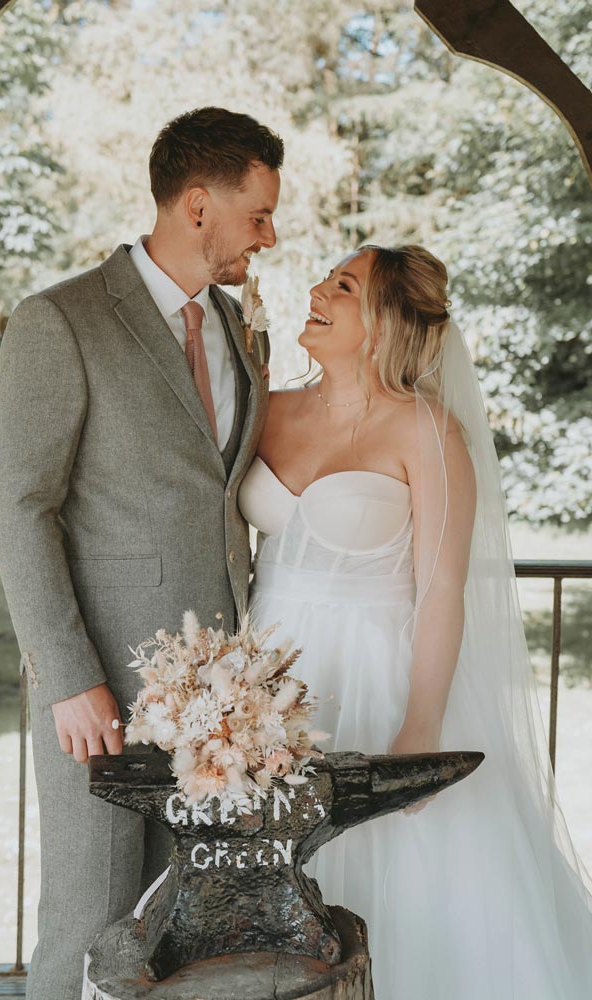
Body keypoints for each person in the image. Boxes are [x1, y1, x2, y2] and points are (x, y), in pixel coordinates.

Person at [239, 244, 592, 999]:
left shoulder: (427, 430)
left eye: (342, 284)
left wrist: (420, 727)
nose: (316, 288)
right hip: (269, 688)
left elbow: (440, 592)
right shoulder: (265, 406)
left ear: (386, 322)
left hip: (381, 679)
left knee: (404, 880)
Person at [0, 106, 281, 1000]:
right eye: (259, 215)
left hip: (221, 704)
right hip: (103, 690)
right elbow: (20, 509)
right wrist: (69, 676)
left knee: (184, 928)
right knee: (92, 920)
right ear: (197, 206)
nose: (269, 236)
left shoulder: (241, 328)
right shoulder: (61, 320)